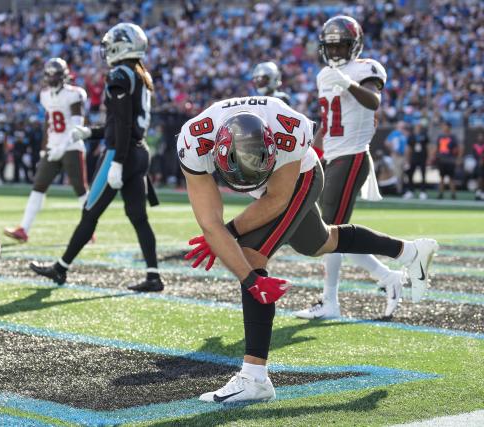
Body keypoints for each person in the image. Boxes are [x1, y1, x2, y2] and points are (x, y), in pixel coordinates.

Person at [179, 98, 437, 403]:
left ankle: (255, 377)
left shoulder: (289, 129)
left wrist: (245, 268)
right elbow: (210, 223)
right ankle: (409, 252)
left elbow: (275, 200)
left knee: (250, 254)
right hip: (269, 184)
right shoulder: (194, 140)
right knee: (320, 243)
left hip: (299, 177)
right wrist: (222, 238)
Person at [29, 23, 163, 292]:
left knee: (90, 212)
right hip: (139, 152)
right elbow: (124, 124)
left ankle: (61, 268)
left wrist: (116, 161)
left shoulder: (120, 74)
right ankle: (153, 275)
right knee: (138, 216)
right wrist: (92, 132)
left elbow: (123, 124)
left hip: (121, 153)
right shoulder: (140, 74)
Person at [296, 15, 405, 320]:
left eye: (341, 44)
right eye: (330, 46)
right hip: (333, 157)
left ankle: (331, 302)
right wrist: (310, 153)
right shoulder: (323, 76)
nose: (335, 51)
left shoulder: (365, 69)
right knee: (334, 232)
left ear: (354, 45)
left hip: (353, 155)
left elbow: (373, 102)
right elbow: (328, 125)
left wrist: (348, 83)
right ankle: (387, 277)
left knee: (330, 231)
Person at [4, 58, 89, 243]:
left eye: (55, 74)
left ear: (64, 75)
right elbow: (48, 124)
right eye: (49, 74)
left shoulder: (74, 94)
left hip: (71, 146)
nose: (51, 78)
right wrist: (45, 149)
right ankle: (23, 229)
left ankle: (89, 228)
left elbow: (77, 126)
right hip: (52, 147)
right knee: (38, 186)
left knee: (80, 188)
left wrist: (63, 147)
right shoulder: (45, 95)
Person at [432, 122, 461, 200]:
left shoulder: (453, 137)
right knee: (441, 178)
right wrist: (433, 156)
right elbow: (436, 148)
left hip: (450, 160)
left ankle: (453, 194)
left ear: (449, 127)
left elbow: (458, 148)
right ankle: (440, 194)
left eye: (445, 126)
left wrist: (458, 158)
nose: (443, 128)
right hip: (441, 159)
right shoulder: (440, 137)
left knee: (451, 178)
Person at [403, 123, 429, 199]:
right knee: (410, 174)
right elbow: (408, 149)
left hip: (422, 158)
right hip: (413, 158)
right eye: (417, 127)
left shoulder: (424, 135)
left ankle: (423, 191)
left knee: (423, 175)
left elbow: (428, 147)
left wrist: (429, 158)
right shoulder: (411, 136)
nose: (418, 128)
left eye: (419, 127)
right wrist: (407, 160)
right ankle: (411, 191)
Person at [385, 121, 408, 193]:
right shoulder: (394, 133)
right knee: (397, 173)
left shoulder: (405, 134)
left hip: (403, 156)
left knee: (402, 173)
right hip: (396, 156)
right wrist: (393, 150)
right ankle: (398, 190)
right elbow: (387, 143)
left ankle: (401, 189)